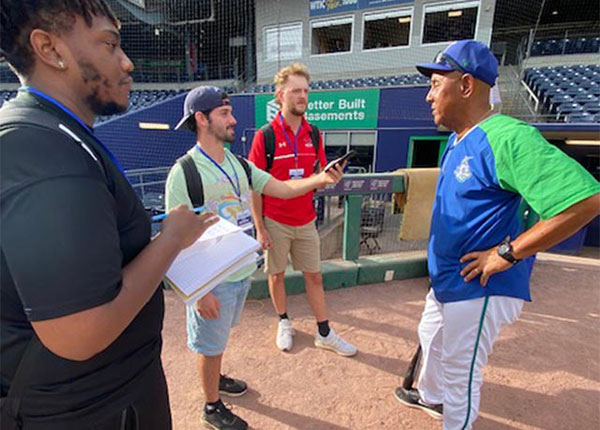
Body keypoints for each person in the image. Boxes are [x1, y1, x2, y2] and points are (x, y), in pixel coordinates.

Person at [0, 1, 218, 429]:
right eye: (110, 44)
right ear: (49, 48)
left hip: (105, 398)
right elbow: (80, 332)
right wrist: (171, 238)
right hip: (84, 410)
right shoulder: (43, 152)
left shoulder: (55, 133)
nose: (127, 61)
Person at [393, 40, 600, 429]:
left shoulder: (507, 135)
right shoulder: (457, 139)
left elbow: (585, 201)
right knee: (431, 337)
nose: (428, 95)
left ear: (466, 86)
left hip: (481, 284)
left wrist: (506, 253)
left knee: (461, 369)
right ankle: (431, 397)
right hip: (449, 280)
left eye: (437, 84)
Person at [165, 85, 344, 430]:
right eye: (224, 114)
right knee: (209, 344)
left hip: (239, 271)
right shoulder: (184, 172)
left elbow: (282, 188)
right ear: (202, 120)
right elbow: (173, 240)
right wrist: (199, 292)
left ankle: (216, 377)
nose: (233, 120)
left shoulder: (239, 164)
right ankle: (211, 406)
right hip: (211, 280)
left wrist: (322, 177)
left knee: (218, 341)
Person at [248, 63, 358, 356]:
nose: (302, 96)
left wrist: (330, 176)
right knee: (277, 275)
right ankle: (284, 321)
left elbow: (317, 178)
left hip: (306, 220)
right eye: (296, 90)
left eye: (306, 91)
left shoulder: (314, 133)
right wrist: (260, 228)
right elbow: (255, 187)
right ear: (280, 95)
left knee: (315, 276)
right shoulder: (265, 136)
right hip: (275, 220)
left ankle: (324, 332)